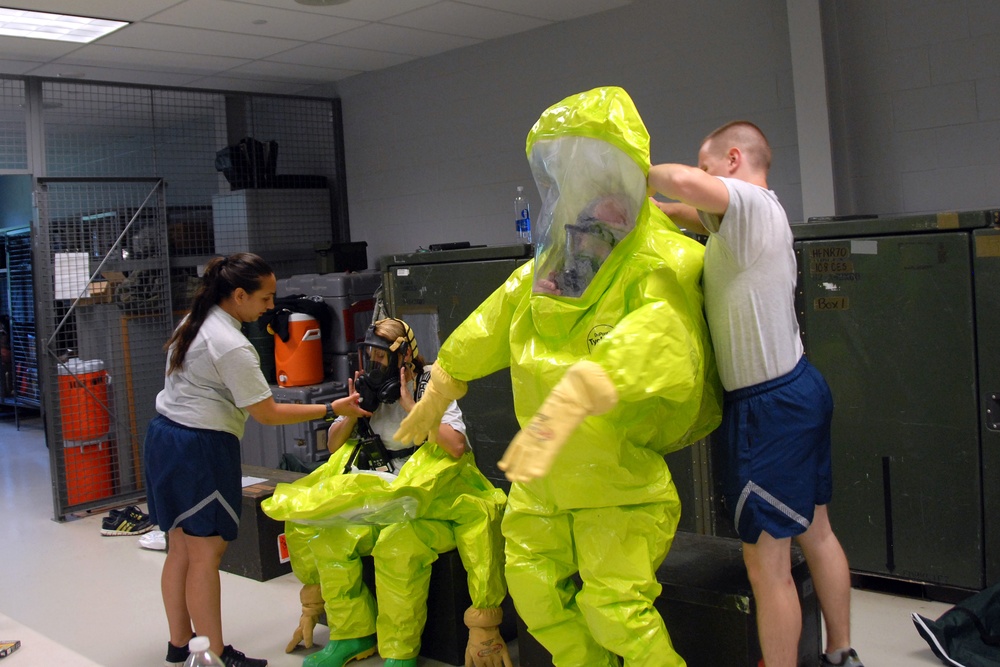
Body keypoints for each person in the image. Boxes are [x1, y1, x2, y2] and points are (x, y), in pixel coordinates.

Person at [396, 86, 721, 667]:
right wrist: (444, 376)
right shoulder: (557, 267)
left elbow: (664, 344)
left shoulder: (656, 264)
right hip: (540, 486)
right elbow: (499, 314)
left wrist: (577, 394)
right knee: (535, 595)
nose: (595, 209)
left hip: (615, 487)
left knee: (616, 611)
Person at [646, 121, 863, 667]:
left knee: (765, 567)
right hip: (798, 389)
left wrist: (623, 170)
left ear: (734, 159)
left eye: (707, 164)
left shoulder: (745, 201)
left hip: (769, 410)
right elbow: (685, 212)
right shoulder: (753, 216)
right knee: (817, 532)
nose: (700, 174)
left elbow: (681, 185)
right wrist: (638, 211)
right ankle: (842, 653)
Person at [144, 252, 371, 667]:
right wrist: (332, 409)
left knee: (179, 547)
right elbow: (267, 413)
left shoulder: (195, 321)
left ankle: (181, 644)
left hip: (165, 438)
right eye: (265, 298)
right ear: (239, 295)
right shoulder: (231, 344)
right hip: (200, 448)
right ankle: (211, 653)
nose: (271, 307)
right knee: (205, 555)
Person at [262, 317, 511, 667]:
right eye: (370, 357)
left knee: (397, 547)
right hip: (379, 493)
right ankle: (352, 635)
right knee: (330, 539)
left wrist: (413, 407)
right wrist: (350, 412)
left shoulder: (430, 385)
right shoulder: (366, 390)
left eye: (381, 358)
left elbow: (456, 446)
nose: (375, 366)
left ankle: (399, 652)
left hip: (427, 500)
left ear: (404, 356)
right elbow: (334, 446)